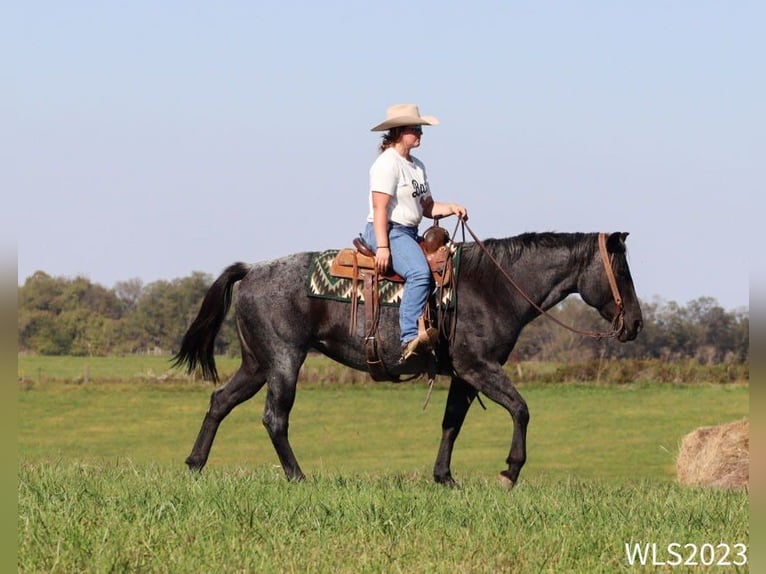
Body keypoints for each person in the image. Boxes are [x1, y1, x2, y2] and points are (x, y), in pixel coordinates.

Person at [361, 103, 468, 364]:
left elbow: (428, 207)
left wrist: (452, 208)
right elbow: (380, 207)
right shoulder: (387, 164)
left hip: (408, 231)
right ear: (399, 131)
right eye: (415, 128)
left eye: (421, 128)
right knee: (419, 273)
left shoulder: (416, 166)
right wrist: (383, 247)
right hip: (387, 230)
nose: (420, 133)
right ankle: (409, 338)